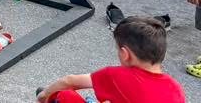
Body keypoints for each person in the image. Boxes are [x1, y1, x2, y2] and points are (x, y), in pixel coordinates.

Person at [36, 17, 184, 103]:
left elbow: (69, 81)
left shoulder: (117, 76)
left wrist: (43, 96)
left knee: (64, 96)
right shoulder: (176, 88)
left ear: (125, 54)